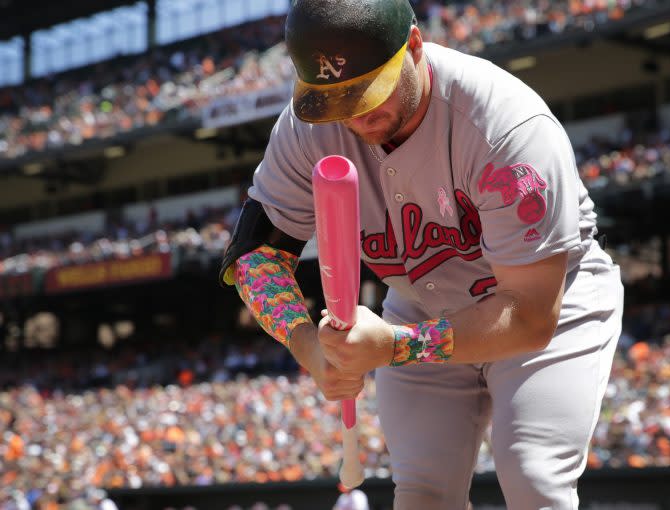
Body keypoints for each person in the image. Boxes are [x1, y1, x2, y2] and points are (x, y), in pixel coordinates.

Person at [219, 0, 624, 508]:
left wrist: (394, 346)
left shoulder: (504, 123)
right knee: (422, 493)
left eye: (368, 90)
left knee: (533, 474)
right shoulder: (306, 130)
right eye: (335, 98)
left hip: (548, 298)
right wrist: (306, 344)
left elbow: (530, 314)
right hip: (419, 301)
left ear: (413, 46)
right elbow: (256, 254)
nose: (356, 114)